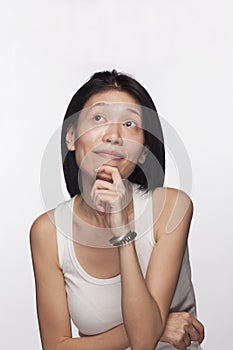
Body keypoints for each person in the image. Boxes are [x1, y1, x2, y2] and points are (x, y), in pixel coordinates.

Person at [30, 70, 205, 350]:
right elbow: (56, 347)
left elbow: (143, 341)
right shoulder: (48, 231)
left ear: (144, 151)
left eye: (129, 123)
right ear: (71, 137)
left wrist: (122, 229)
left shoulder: (172, 208)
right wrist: (161, 324)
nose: (113, 135)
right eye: (98, 118)